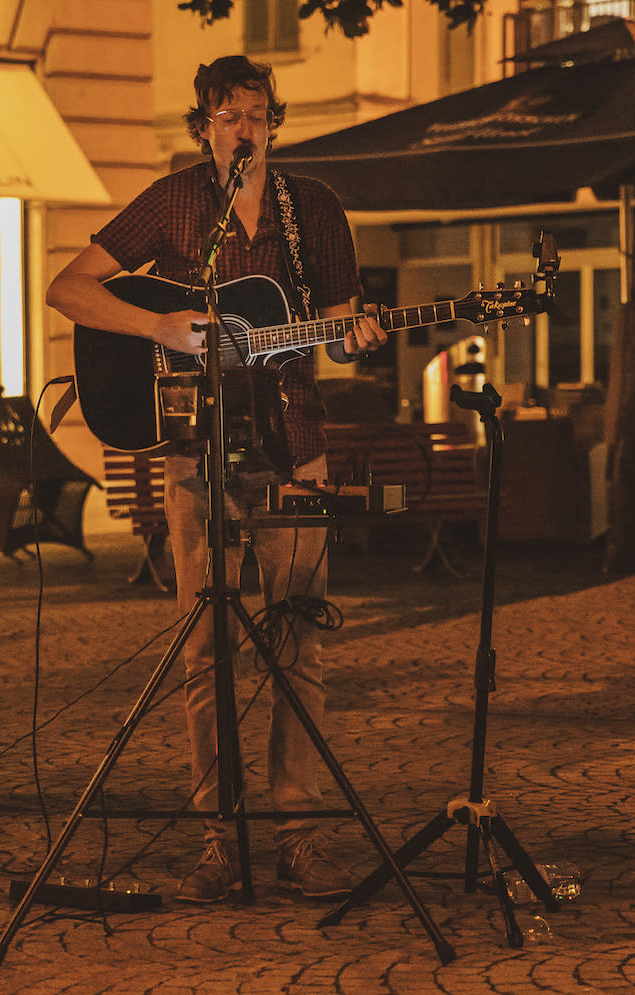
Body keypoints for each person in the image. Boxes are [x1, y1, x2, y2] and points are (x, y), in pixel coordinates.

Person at [45, 55, 387, 903]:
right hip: (197, 452)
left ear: (275, 122)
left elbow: (337, 324)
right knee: (205, 651)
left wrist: (358, 335)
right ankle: (219, 841)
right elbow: (70, 288)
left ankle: (297, 837)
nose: (245, 128)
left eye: (257, 114)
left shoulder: (314, 209)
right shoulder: (175, 204)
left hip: (294, 445)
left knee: (298, 645)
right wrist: (158, 325)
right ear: (204, 126)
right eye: (229, 116)